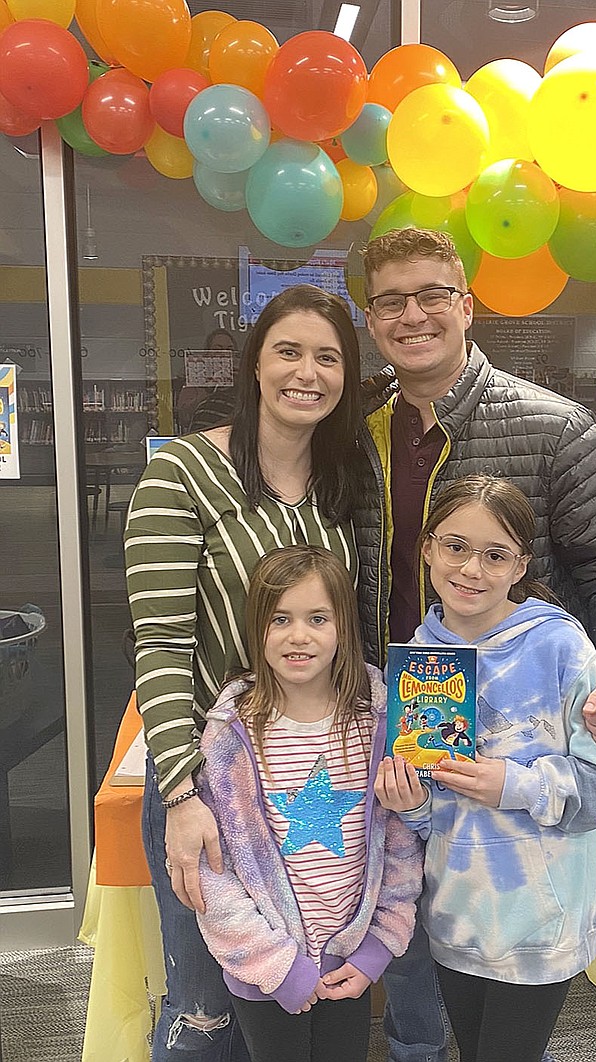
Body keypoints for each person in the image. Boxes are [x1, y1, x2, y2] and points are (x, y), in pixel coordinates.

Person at [353, 227, 596, 1062]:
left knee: (501, 926)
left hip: (514, 718)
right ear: (371, 317)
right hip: (396, 701)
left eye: (431, 295)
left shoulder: (552, 426)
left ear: (466, 305)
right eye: (390, 300)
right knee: (410, 907)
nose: (411, 314)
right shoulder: (350, 434)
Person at [124, 284, 364, 1062]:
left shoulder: (342, 491)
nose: (308, 372)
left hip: (316, 785)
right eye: (288, 351)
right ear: (253, 364)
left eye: (328, 356)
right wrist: (183, 792)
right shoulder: (183, 476)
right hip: (214, 792)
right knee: (206, 1015)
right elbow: (158, 646)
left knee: (304, 1005)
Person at [375, 475, 596, 1062]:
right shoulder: (421, 658)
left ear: (521, 565)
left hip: (542, 922)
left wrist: (514, 784)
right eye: (455, 547)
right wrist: (411, 803)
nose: (472, 569)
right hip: (456, 913)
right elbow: (432, 815)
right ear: (426, 549)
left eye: (495, 555)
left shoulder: (560, 647)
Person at [195, 545, 423, 1062]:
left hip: (349, 958)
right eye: (281, 619)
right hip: (266, 967)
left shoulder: (380, 717)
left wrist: (376, 949)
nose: (299, 636)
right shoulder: (231, 734)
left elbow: (400, 848)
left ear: (343, 625)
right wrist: (276, 966)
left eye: (317, 618)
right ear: (257, 628)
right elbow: (216, 872)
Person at [177, 327, 239, 432]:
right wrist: (208, 387)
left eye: (229, 349)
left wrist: (240, 384)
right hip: (202, 436)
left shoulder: (241, 378)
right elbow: (184, 418)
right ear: (208, 354)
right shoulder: (196, 380)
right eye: (218, 349)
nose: (224, 353)